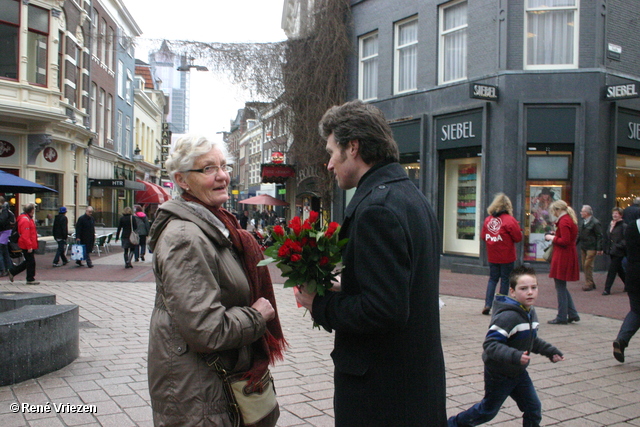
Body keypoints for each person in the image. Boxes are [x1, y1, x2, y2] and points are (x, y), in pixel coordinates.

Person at [295, 100, 447, 426]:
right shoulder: (410, 196)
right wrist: (348, 285)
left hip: (381, 396)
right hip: (413, 388)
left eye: (332, 152)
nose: (329, 165)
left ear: (353, 148)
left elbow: (385, 310)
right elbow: (401, 286)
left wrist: (318, 303)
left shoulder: (377, 208)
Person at [147, 134, 286, 426]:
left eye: (224, 166)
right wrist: (256, 317)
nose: (222, 176)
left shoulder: (217, 225)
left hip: (213, 383)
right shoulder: (186, 237)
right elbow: (206, 330)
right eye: (208, 169)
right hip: (198, 391)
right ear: (182, 180)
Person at [447, 265, 565, 427]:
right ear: (512, 291)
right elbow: (490, 344)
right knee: (487, 411)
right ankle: (451, 424)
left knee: (533, 408)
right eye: (524, 288)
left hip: (518, 372)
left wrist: (550, 352)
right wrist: (515, 355)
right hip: (499, 373)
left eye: (534, 287)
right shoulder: (508, 317)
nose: (530, 292)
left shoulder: (530, 312)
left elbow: (532, 340)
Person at [481, 193, 523, 315]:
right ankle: (501, 305)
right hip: (506, 255)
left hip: (492, 255)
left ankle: (488, 304)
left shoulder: (488, 219)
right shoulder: (510, 220)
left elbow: (483, 236)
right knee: (505, 280)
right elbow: (518, 237)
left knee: (493, 279)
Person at [545, 200, 580, 324]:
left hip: (562, 255)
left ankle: (562, 316)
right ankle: (572, 313)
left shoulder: (564, 221)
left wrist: (552, 237)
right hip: (567, 254)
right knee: (562, 286)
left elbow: (564, 241)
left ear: (557, 210)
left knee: (560, 286)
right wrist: (556, 234)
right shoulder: (569, 219)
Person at [613, 213, 640, 363]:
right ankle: (621, 340)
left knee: (636, 309)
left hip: (633, 273)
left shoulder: (631, 227)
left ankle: (622, 340)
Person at [8, 203, 39, 285]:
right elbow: (25, 235)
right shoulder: (25, 220)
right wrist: (29, 246)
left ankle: (13, 271)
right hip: (27, 244)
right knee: (31, 261)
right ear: (31, 210)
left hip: (28, 243)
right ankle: (30, 278)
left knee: (29, 261)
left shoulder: (27, 218)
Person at [577, 205, 603, 291]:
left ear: (586, 213)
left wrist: (599, 248)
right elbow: (579, 234)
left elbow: (599, 236)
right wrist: (575, 244)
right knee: (584, 265)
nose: (581, 213)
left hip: (592, 247)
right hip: (584, 246)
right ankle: (590, 282)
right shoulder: (582, 222)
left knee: (587, 265)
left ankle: (589, 283)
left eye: (582, 211)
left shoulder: (595, 222)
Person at [603, 207, 626, 296]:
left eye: (616, 213)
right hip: (611, 250)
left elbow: (625, 239)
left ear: (620, 215)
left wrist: (618, 245)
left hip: (619, 251)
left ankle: (607, 289)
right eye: (613, 213)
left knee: (612, 270)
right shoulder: (610, 224)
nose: (614, 215)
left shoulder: (623, 226)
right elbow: (608, 236)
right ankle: (628, 284)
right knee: (619, 269)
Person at [0, 197, 15, 276]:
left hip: (5, 232)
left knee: (0, 249)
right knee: (5, 250)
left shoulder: (5, 210)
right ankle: (9, 268)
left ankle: (2, 269)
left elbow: (2, 221)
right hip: (3, 231)